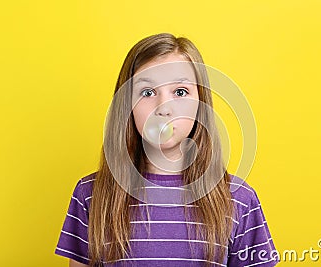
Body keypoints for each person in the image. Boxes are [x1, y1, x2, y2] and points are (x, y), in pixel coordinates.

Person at [55, 33, 279, 267]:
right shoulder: (91, 195)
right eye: (147, 92)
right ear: (127, 106)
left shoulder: (239, 199)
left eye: (180, 91)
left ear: (200, 104)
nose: (163, 108)